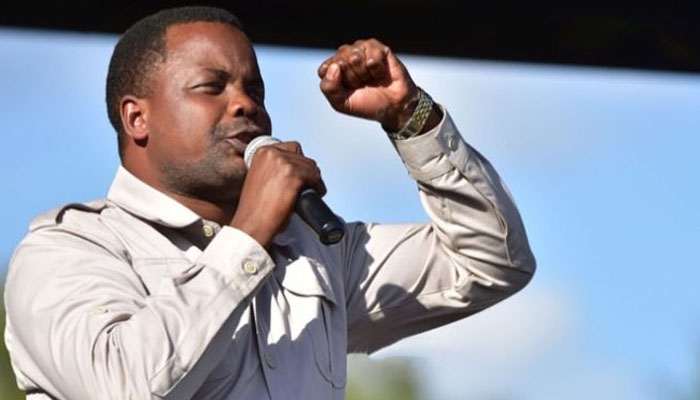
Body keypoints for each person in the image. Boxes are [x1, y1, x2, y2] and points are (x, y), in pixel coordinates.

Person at [3, 5, 536, 400]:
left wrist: (410, 117)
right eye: (211, 87)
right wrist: (248, 235)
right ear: (136, 117)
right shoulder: (67, 251)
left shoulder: (315, 252)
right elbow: (119, 387)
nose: (245, 105)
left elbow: (492, 261)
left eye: (254, 91)